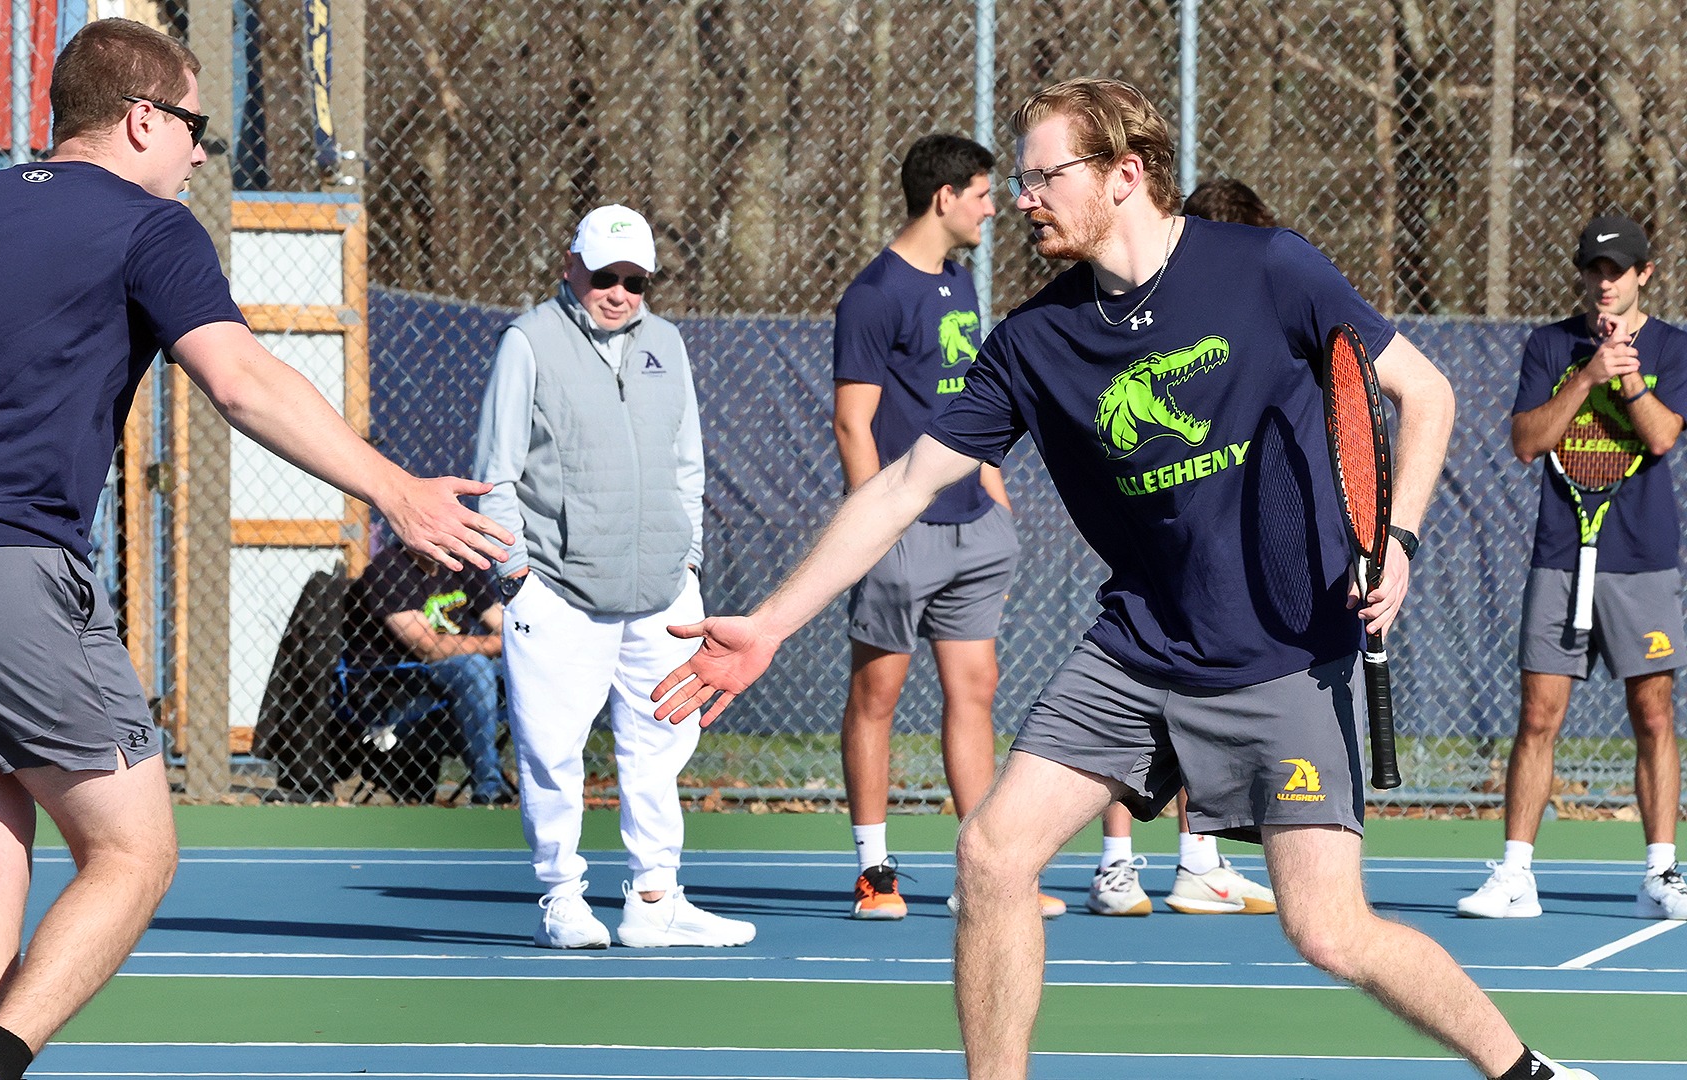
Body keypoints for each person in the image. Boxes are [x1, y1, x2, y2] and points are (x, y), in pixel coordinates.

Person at [653, 78, 1597, 1080]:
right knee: (990, 855)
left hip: (1285, 655)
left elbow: (1427, 392)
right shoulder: (1031, 341)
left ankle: (1526, 1071)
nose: (1024, 199)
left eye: (1044, 176)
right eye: (1017, 181)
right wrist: (772, 622)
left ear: (1125, 174)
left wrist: (1397, 538)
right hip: (1138, 653)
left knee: (1330, 930)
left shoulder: (1269, 268)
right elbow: (898, 488)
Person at [0, 19, 510, 1080]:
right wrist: (396, 487)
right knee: (133, 854)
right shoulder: (149, 227)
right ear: (143, 118)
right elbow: (242, 379)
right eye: (196, 128)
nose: (202, 153)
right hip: (0, 568)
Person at [474, 204, 755, 950]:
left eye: (636, 280)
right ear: (572, 268)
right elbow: (495, 474)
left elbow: (687, 462)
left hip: (662, 593)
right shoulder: (528, 342)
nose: (621, 293)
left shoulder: (667, 344)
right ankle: (563, 898)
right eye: (606, 276)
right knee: (552, 750)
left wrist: (687, 559)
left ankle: (655, 899)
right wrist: (516, 577)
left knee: (663, 742)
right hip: (558, 593)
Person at [831, 134, 1042, 920]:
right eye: (984, 195)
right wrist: (872, 527)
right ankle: (875, 871)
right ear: (944, 198)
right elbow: (854, 424)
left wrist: (993, 486)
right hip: (900, 529)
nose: (995, 208)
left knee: (976, 690)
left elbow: (971, 404)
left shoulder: (960, 285)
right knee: (878, 692)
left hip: (973, 528)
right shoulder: (875, 293)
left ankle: (984, 873)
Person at [1459, 214, 1687, 921]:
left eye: (1617, 271)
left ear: (1644, 275)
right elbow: (1527, 442)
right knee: (1538, 715)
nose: (1604, 282)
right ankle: (1517, 874)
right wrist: (1589, 374)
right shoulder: (1550, 344)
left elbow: (1660, 438)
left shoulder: (1674, 348)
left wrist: (1629, 379)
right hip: (1561, 554)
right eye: (1594, 270)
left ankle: (1661, 873)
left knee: (1652, 713)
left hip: (1641, 558)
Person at [1085, 175, 1283, 917]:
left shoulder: (1218, 322)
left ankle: (1192, 860)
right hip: (1166, 554)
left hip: (1205, 553)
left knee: (1187, 703)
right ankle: (1121, 866)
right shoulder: (1150, 327)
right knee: (1138, 709)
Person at [350, 541, 512, 805]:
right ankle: (489, 785)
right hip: (406, 692)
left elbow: (504, 625)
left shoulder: (462, 562)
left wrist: (524, 642)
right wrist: (500, 644)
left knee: (525, 668)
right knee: (475, 667)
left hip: (462, 687)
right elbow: (428, 648)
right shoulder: (388, 569)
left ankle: (544, 781)